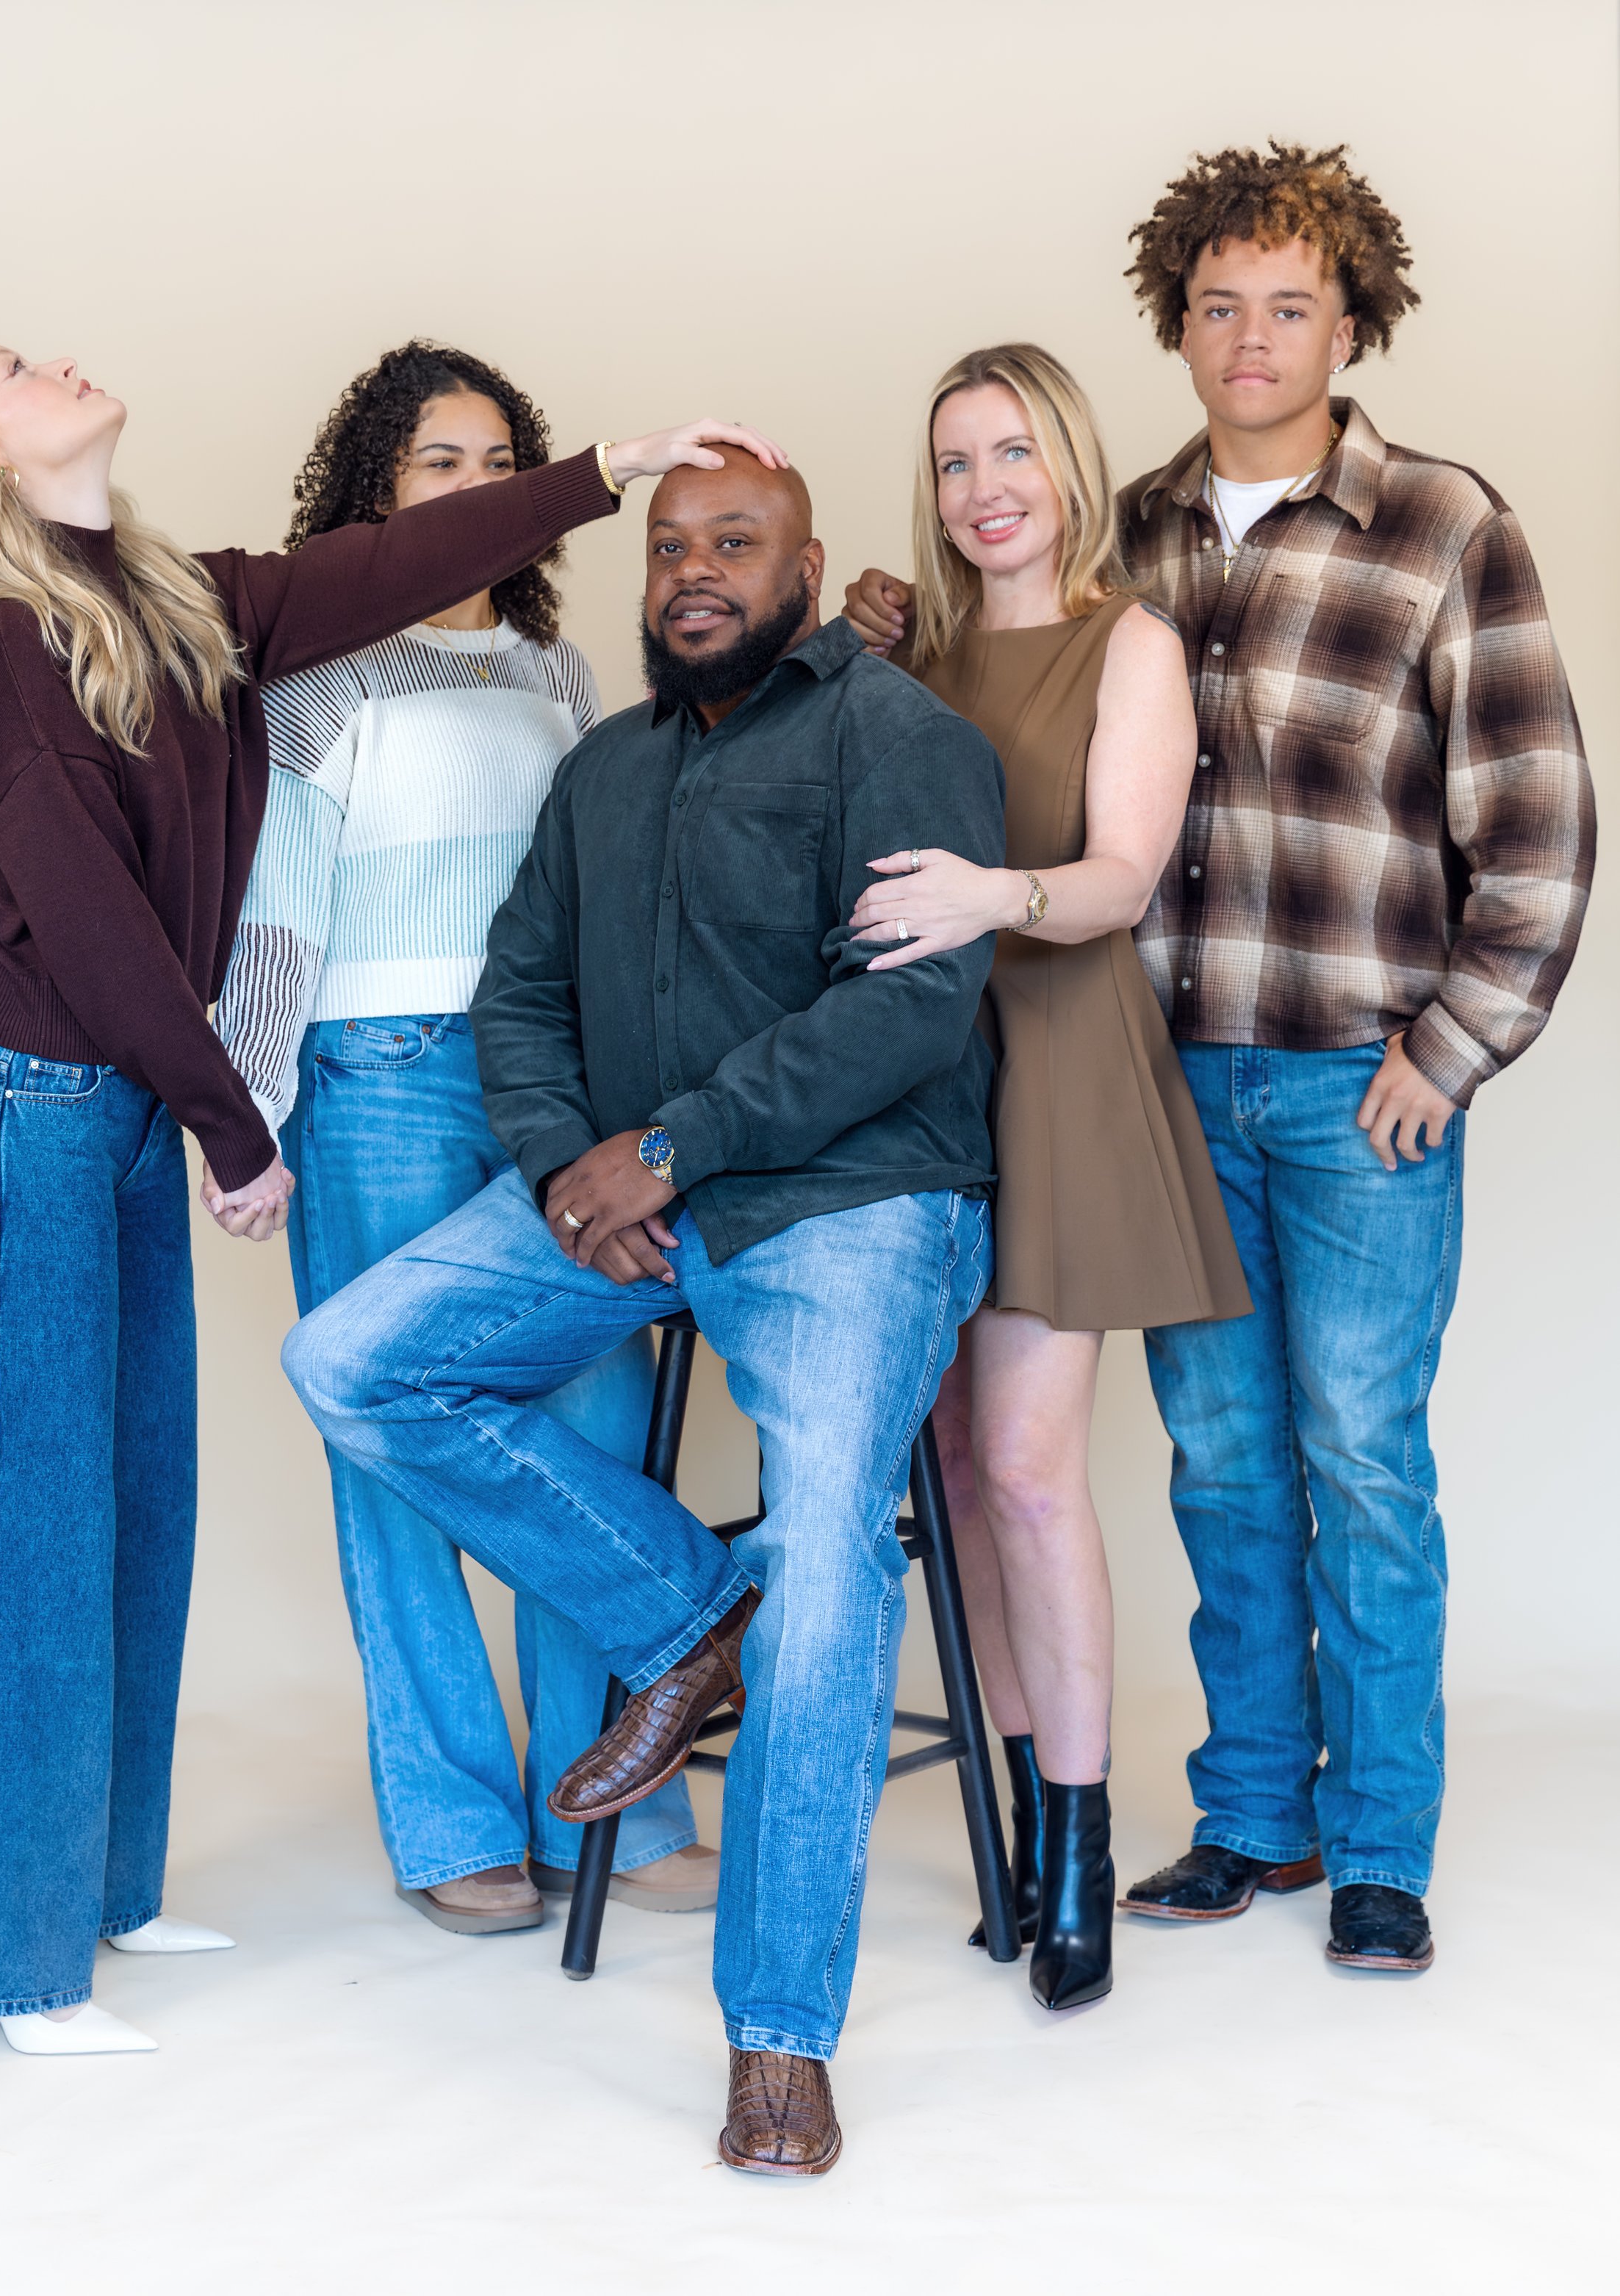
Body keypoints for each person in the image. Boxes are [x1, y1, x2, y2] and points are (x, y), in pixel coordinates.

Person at [0, 336, 782, 2054]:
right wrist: (240, 1115)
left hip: (128, 1112)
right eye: (8, 366)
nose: (48, 355)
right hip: (27, 1113)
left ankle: (107, 1893)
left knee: (139, 1511)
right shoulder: (11, 642)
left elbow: (390, 570)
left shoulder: (174, 602)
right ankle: (10, 1966)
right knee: (28, 1540)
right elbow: (83, 918)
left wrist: (612, 461)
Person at [846, 142, 1596, 1976]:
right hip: (1159, 1080)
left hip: (1360, 1084)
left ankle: (1378, 1847)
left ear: (1350, 320)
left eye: (1287, 306)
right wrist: (885, 632)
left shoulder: (1439, 522)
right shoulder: (1131, 534)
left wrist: (1454, 1043)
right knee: (1217, 1463)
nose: (1248, 337)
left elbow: (1541, 821)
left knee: (1360, 1460)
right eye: (1214, 307)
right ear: (1173, 326)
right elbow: (1004, 683)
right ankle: (1250, 1811)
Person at [278, 447, 1004, 2173]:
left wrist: (672, 1148)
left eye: (733, 546)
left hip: (853, 1205)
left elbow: (908, 1013)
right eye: (669, 547)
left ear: (805, 568)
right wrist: (559, 1170)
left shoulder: (889, 732)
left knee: (829, 1544)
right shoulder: (598, 768)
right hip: (628, 1199)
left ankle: (776, 2038)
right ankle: (682, 1610)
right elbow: (519, 993)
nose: (693, 572)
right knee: (354, 1363)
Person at [213, 342, 707, 1937]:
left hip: (551, 1087)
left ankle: (613, 1820)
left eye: (499, 462)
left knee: (592, 1411)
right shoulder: (318, 679)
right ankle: (448, 1823)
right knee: (393, 1455)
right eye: (439, 462)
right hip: (378, 1075)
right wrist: (250, 1112)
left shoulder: (561, 680)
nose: (473, 488)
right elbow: (273, 917)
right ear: (376, 490)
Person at [840, 342, 1250, 2011]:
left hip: (1060, 1073)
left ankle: (1077, 1840)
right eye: (951, 463)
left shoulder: (1128, 642)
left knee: (1020, 1470)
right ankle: (1017, 1818)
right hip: (920, 1084)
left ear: (1069, 469)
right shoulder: (913, 660)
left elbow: (1117, 879)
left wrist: (983, 898)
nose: (982, 488)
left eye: (1011, 452)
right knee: (943, 1463)